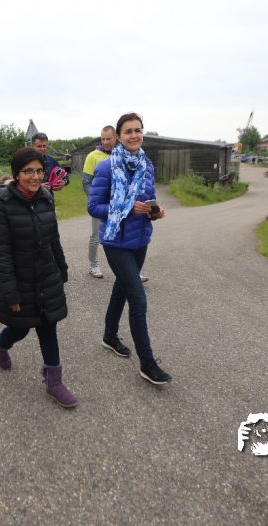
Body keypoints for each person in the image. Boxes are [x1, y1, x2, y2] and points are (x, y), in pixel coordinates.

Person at [0, 147, 77, 408]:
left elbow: (54, 238)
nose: (35, 177)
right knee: (21, 327)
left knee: (48, 324)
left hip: (46, 275)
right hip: (20, 279)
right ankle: (0, 342)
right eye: (28, 171)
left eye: (39, 171)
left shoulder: (46, 198)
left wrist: (61, 268)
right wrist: (10, 292)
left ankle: (54, 381)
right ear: (17, 174)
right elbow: (1, 254)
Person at [87, 112, 171, 385]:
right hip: (116, 241)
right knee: (138, 299)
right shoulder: (106, 167)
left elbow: (148, 200)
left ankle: (109, 336)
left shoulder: (147, 165)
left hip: (140, 239)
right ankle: (147, 363)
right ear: (119, 137)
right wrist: (125, 208)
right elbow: (93, 207)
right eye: (128, 131)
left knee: (121, 288)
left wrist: (154, 212)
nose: (134, 135)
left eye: (138, 130)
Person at [82, 126, 117, 279]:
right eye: (103, 139)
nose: (105, 142)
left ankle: (130, 269)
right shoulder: (92, 156)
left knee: (122, 235)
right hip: (100, 204)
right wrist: (97, 200)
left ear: (116, 137)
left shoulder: (122, 154)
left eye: (108, 138)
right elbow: (86, 183)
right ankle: (93, 265)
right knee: (96, 235)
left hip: (119, 205)